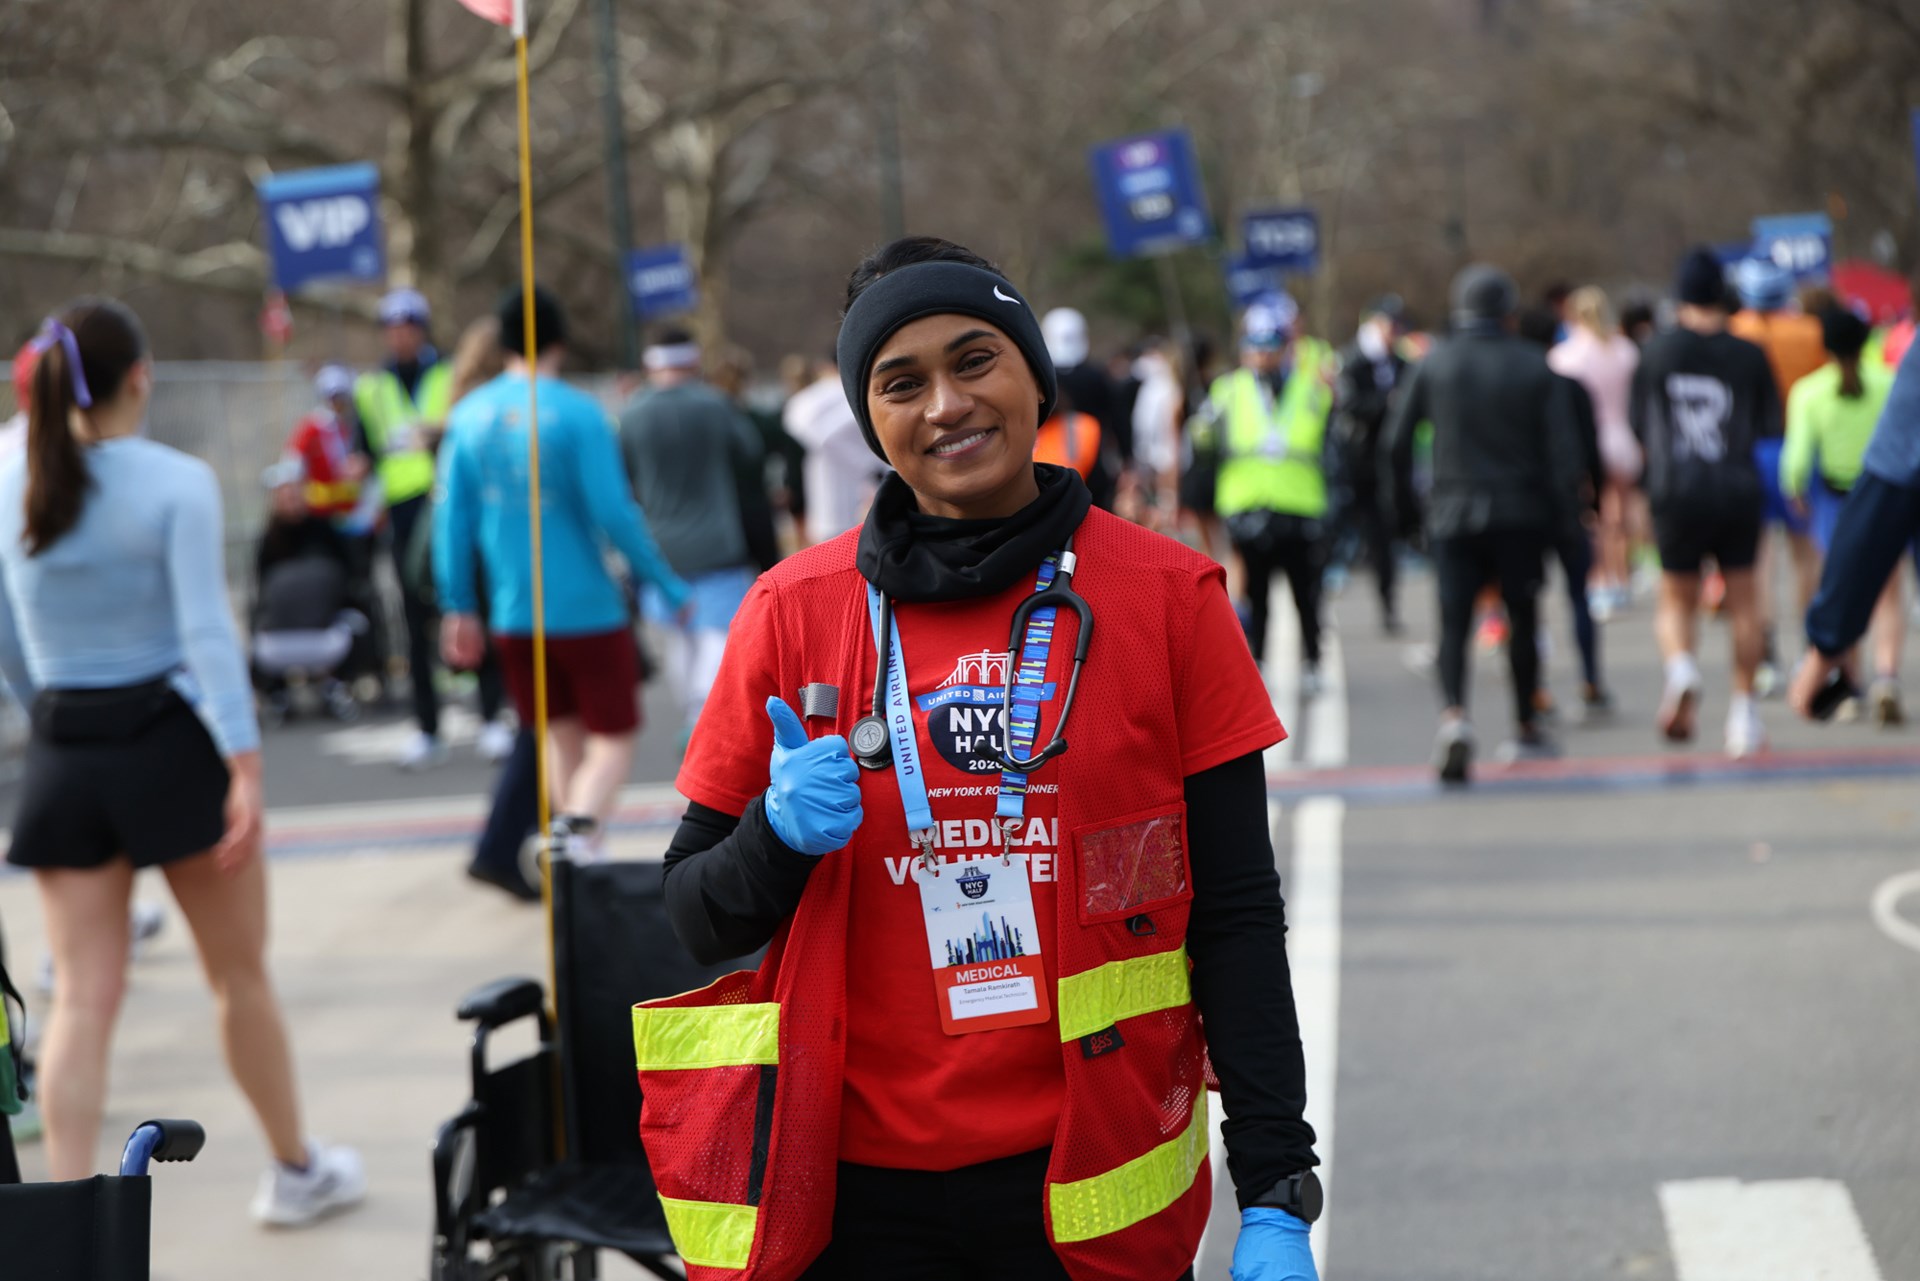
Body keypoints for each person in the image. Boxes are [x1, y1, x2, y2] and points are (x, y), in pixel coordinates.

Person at [647, 235, 1320, 1281]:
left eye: (974, 361)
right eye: (900, 383)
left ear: (1034, 376)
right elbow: (697, 919)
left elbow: (1235, 911)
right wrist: (773, 838)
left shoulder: (1169, 599)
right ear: (869, 419)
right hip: (854, 1209)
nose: (946, 405)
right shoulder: (793, 611)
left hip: (1094, 1197)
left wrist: (1277, 1188)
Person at [0, 300, 362, 1222]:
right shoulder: (176, 481)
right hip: (167, 742)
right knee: (238, 976)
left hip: (64, 748)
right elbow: (206, 631)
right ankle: (294, 1171)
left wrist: (47, 711)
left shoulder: (6, 470)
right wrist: (246, 763)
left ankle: (64, 1229)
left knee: (81, 998)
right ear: (141, 377)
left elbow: (7, 634)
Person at [435, 286, 691, 852]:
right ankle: (574, 842)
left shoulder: (468, 416)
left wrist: (458, 605)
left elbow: (450, 521)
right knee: (614, 737)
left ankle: (577, 858)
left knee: (559, 733)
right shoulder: (578, 412)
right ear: (560, 340)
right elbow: (615, 514)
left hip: (512, 612)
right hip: (586, 607)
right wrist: (667, 585)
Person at [1385, 264, 1583, 781]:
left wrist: (1408, 516)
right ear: (1509, 313)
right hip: (1521, 512)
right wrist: (1565, 520)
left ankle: (1455, 717)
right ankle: (1525, 725)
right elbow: (1565, 456)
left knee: (1453, 621)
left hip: (1452, 511)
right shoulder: (1535, 365)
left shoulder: (1434, 364)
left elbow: (1395, 444)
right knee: (1522, 617)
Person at [1631, 249, 1779, 757]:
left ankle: (1682, 669)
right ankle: (1744, 715)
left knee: (1676, 597)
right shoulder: (1749, 354)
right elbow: (1769, 426)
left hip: (1676, 489)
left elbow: (1639, 425)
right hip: (1736, 487)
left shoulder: (1656, 352)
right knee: (1745, 603)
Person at [618, 327, 766, 749]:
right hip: (718, 541)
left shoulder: (632, 413)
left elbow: (623, 475)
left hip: (660, 547)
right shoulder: (715, 405)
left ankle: (692, 714)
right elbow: (751, 453)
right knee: (715, 635)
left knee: (677, 637)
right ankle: (704, 714)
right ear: (693, 360)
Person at [1189, 294, 1335, 692]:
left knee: (1307, 593)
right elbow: (1203, 442)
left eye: (1270, 345)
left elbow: (1331, 438)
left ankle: (1312, 661)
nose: (1262, 354)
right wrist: (1199, 425)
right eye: (1255, 345)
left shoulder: (1311, 388)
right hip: (1247, 503)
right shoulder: (1228, 389)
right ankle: (1259, 662)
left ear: (1285, 347)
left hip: (1299, 503)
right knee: (1257, 594)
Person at [1779, 308, 1901, 723]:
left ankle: (1849, 681)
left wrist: (1795, 488)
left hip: (1836, 501)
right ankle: (1887, 675)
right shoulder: (1888, 382)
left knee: (1843, 589)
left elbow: (1797, 455)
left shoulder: (1810, 391)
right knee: (1887, 593)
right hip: (1886, 491)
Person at [355, 287, 455, 770]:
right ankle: (427, 727)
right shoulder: (371, 387)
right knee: (413, 619)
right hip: (402, 512)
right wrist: (358, 467)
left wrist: (434, 436)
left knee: (465, 603)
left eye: (408, 328)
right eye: (392, 329)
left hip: (448, 504)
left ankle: (493, 716)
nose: (400, 337)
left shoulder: (448, 373)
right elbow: (363, 450)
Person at [1728, 258, 1824, 694]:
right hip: (1800, 445)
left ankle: (1765, 655)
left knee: (1759, 559)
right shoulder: (1808, 331)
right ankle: (1810, 647)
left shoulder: (1736, 332)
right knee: (1806, 556)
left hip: (1753, 450)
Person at [1522, 307, 1611, 715]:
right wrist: (1595, 501)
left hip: (1526, 506)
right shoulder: (1571, 388)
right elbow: (1592, 450)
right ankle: (1590, 677)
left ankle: (1535, 686)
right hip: (1569, 504)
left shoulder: (1514, 389)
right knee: (1580, 596)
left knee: (1527, 600)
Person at [1550, 287, 1641, 620]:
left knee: (1593, 516)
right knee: (1620, 513)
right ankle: (1622, 576)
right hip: (1622, 435)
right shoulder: (1626, 351)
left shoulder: (1566, 355)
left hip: (1587, 438)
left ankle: (1600, 577)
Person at [1334, 296, 1412, 633]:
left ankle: (1387, 602)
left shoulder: (1401, 362)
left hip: (1391, 465)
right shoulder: (1353, 360)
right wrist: (1387, 404)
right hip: (1358, 465)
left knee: (1385, 539)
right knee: (1341, 533)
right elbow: (1350, 405)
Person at [783, 353, 889, 543]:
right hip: (857, 491)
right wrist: (870, 466)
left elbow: (797, 422)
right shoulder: (845, 392)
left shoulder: (815, 397)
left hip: (838, 502)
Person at [1041, 307, 1124, 507]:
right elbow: (1117, 419)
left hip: (1052, 464)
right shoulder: (1096, 375)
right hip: (1093, 456)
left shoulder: (1043, 377)